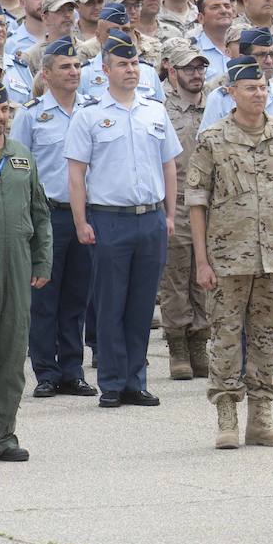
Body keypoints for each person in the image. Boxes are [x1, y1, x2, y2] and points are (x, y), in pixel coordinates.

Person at [186, 56, 273, 450]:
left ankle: (261, 416)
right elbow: (197, 202)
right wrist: (202, 260)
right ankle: (226, 414)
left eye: (262, 87)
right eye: (250, 87)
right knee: (224, 336)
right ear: (231, 93)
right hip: (227, 256)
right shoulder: (213, 139)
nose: (259, 93)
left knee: (267, 336)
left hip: (272, 255)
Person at [66, 30, 182, 408]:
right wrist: (81, 221)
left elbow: (169, 166)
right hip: (109, 218)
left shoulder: (154, 110)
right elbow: (76, 173)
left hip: (149, 219)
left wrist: (169, 214)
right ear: (105, 70)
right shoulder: (90, 115)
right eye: (122, 64)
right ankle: (112, 382)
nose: (131, 70)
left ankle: (136, 379)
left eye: (134, 63)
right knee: (111, 303)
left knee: (142, 304)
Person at [12, 40, 96, 401]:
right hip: (47, 216)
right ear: (45, 74)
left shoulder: (92, 111)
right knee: (44, 295)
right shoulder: (32, 114)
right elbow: (19, 168)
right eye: (65, 67)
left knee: (78, 296)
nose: (74, 72)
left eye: (77, 66)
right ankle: (46, 371)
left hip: (86, 215)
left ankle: (72, 370)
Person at [0, 80, 53, 461]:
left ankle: (3, 435)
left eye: (4, 110)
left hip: (16, 264)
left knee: (12, 348)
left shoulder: (21, 156)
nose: (2, 117)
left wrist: (42, 259)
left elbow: (40, 213)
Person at [157, 45, 212, 379]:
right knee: (175, 278)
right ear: (172, 71)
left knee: (204, 276)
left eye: (200, 68)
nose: (196, 74)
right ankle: (178, 346)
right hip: (176, 202)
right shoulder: (161, 108)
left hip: (208, 203)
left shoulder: (216, 106)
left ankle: (200, 343)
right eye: (188, 68)